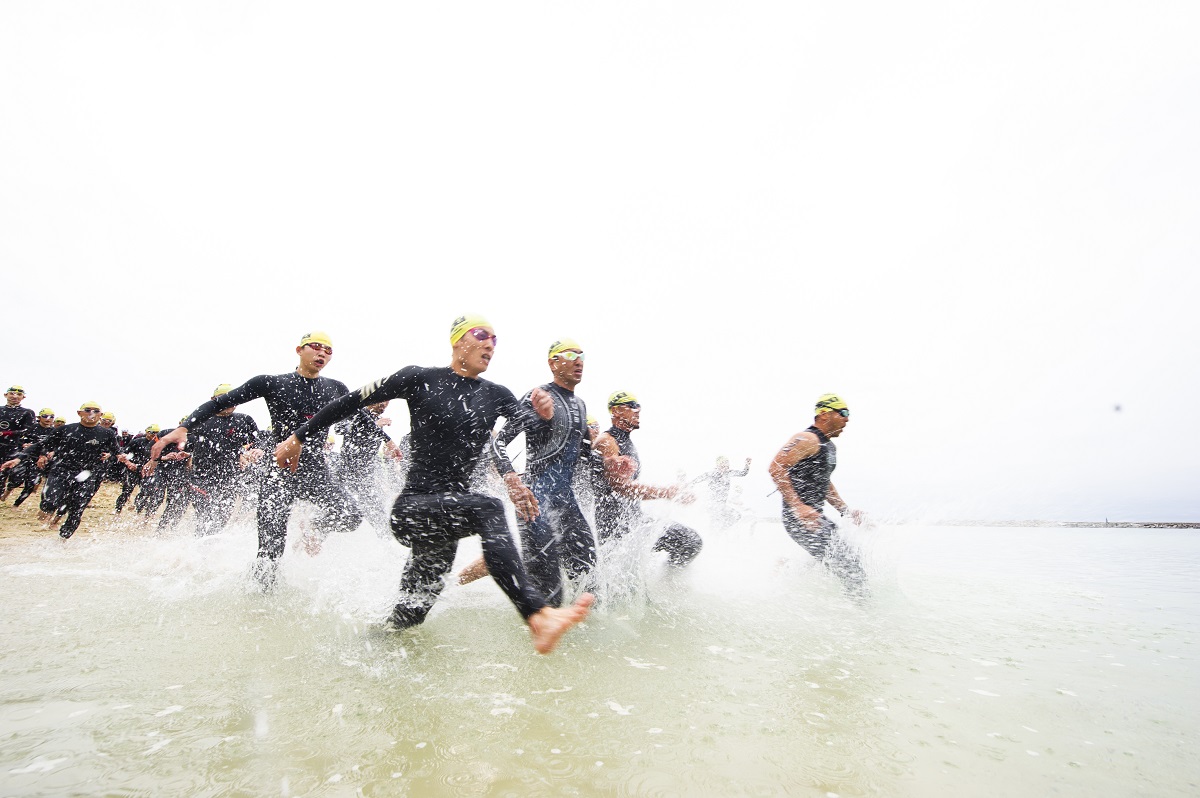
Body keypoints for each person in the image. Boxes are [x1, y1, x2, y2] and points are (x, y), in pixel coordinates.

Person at [273, 315, 592, 655]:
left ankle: (354, 650)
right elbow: (348, 402)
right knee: (489, 507)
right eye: (481, 335)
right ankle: (537, 615)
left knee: (408, 617)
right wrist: (297, 438)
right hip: (413, 509)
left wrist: (540, 413)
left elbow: (518, 429)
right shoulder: (419, 378)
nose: (489, 344)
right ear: (457, 341)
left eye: (495, 340)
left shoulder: (496, 394)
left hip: (446, 523)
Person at [151, 332, 364, 589]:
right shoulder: (271, 383)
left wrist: (387, 440)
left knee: (351, 515)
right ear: (299, 350)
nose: (322, 353)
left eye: (328, 351)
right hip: (279, 472)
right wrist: (185, 428)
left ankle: (313, 530)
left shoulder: (336, 388)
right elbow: (222, 401)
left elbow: (359, 415)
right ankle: (259, 605)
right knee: (271, 552)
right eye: (316, 347)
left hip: (315, 471)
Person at [465, 337, 598, 606]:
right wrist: (512, 479)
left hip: (566, 504)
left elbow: (584, 457)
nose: (579, 362)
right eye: (571, 355)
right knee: (550, 596)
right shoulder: (539, 396)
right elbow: (498, 441)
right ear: (553, 362)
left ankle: (499, 563)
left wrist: (608, 461)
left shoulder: (581, 406)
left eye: (582, 357)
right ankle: (461, 584)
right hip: (535, 504)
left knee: (590, 584)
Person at [768, 393, 868, 596]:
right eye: (843, 412)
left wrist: (846, 511)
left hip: (817, 518)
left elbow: (825, 482)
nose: (847, 418)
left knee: (851, 557)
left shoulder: (829, 446)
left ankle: (783, 571)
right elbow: (776, 467)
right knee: (850, 567)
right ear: (824, 414)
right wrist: (798, 506)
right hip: (800, 520)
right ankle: (866, 615)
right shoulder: (806, 438)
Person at [592, 391, 703, 568]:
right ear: (616, 411)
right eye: (631, 405)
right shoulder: (608, 441)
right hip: (615, 529)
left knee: (690, 541)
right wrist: (666, 492)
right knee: (689, 540)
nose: (638, 410)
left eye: (639, 406)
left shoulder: (625, 441)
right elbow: (620, 487)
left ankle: (666, 585)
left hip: (635, 521)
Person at [2, 401, 128, 538]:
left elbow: (117, 450)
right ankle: (47, 509)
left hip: (86, 474)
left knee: (77, 509)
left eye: (96, 411)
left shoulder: (107, 434)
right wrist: (18, 458)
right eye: (87, 410)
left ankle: (63, 540)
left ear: (101, 415)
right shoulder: (66, 430)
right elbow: (41, 445)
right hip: (61, 470)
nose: (91, 413)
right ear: (79, 413)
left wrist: (120, 456)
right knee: (50, 501)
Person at [185, 384, 262, 536]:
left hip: (229, 478)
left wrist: (255, 450)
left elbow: (258, 441)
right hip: (202, 478)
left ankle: (208, 549)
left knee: (221, 518)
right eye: (224, 398)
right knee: (205, 516)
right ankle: (198, 549)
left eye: (233, 399)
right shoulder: (201, 420)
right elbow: (185, 441)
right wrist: (184, 454)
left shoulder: (244, 420)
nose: (229, 402)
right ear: (213, 400)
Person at [7, 408, 56, 506]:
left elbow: (58, 445)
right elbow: (19, 440)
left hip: (40, 460)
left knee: (31, 484)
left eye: (51, 417)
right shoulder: (32, 428)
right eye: (45, 416)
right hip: (26, 456)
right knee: (16, 479)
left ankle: (16, 504)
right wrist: (23, 445)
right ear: (39, 417)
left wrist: (52, 452)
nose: (48, 419)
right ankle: (7, 491)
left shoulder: (54, 431)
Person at [689, 455, 752, 529]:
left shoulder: (729, 473)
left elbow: (743, 473)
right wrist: (691, 483)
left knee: (736, 516)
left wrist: (747, 465)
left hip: (722, 505)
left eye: (727, 463)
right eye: (723, 464)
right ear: (718, 465)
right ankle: (714, 533)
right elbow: (701, 477)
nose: (725, 465)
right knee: (716, 521)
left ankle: (721, 529)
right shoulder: (713, 473)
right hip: (713, 505)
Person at [0, 385, 37, 500]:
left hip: (13, 447)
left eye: (19, 394)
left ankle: (6, 492)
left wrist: (6, 433)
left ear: (23, 397)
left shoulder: (27, 413)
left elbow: (28, 430)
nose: (15, 397)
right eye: (12, 393)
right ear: (6, 395)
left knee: (8, 474)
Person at [115, 425, 157, 514]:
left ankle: (138, 510)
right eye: (152, 432)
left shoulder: (157, 445)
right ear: (147, 432)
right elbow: (123, 454)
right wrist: (129, 464)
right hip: (133, 469)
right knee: (127, 491)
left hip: (146, 471)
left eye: (157, 433)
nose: (154, 435)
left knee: (146, 492)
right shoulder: (137, 441)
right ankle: (118, 510)